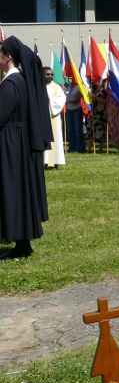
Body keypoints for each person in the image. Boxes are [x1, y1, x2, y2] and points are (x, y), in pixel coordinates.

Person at [0, 36, 52, 259]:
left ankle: (21, 243)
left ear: (8, 57)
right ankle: (23, 244)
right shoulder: (21, 80)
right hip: (18, 142)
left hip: (11, 143)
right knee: (20, 191)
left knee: (13, 190)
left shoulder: (11, 83)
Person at [43, 66, 66, 168]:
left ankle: (54, 161)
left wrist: (50, 100)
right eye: (47, 74)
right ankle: (44, 161)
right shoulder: (38, 86)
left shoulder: (57, 87)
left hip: (53, 116)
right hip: (42, 117)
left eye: (51, 74)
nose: (50, 76)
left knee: (55, 138)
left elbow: (62, 99)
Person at [65, 78, 85, 153]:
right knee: (70, 130)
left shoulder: (78, 87)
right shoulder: (67, 87)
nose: (70, 79)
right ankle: (72, 148)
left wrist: (69, 101)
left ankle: (80, 148)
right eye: (69, 78)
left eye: (71, 78)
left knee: (78, 130)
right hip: (68, 110)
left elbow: (79, 98)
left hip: (77, 110)